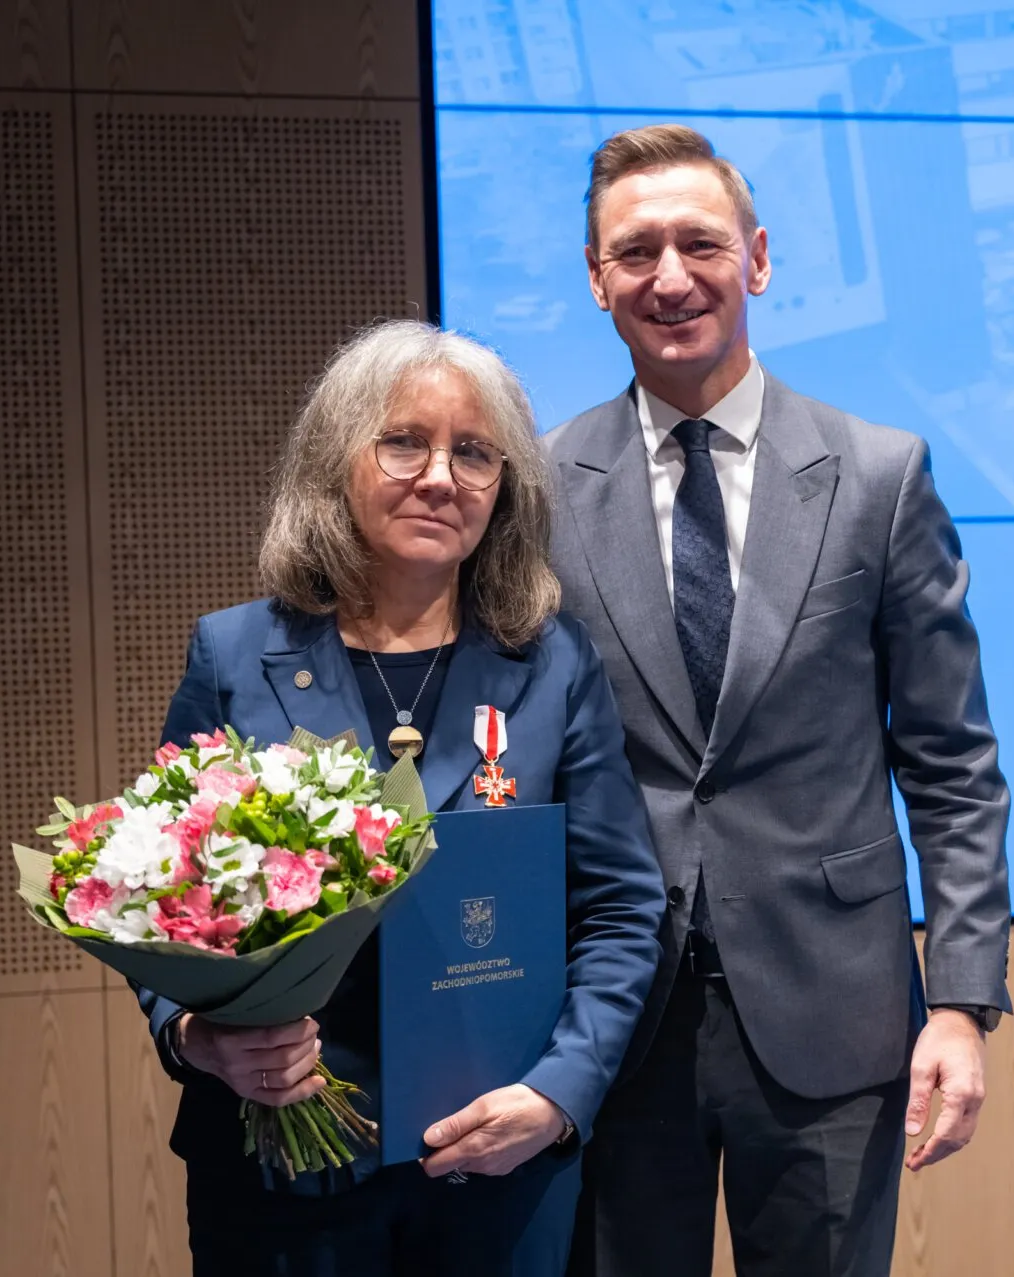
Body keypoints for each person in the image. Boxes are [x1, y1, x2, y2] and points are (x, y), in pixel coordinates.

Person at [547, 125, 1012, 1277]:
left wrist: (960, 1001)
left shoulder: (878, 475)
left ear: (756, 258)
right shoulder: (540, 489)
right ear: (596, 277)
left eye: (699, 244)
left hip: (835, 1013)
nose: (670, 277)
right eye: (636, 251)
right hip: (612, 1018)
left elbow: (952, 765)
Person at [136, 320, 666, 1276]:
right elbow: (157, 894)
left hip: (498, 1167)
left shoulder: (554, 664)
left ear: (505, 486)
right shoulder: (234, 654)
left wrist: (559, 1091)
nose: (440, 477)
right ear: (335, 461)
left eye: (474, 452)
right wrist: (197, 1035)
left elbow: (621, 908)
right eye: (404, 442)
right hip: (284, 1167)